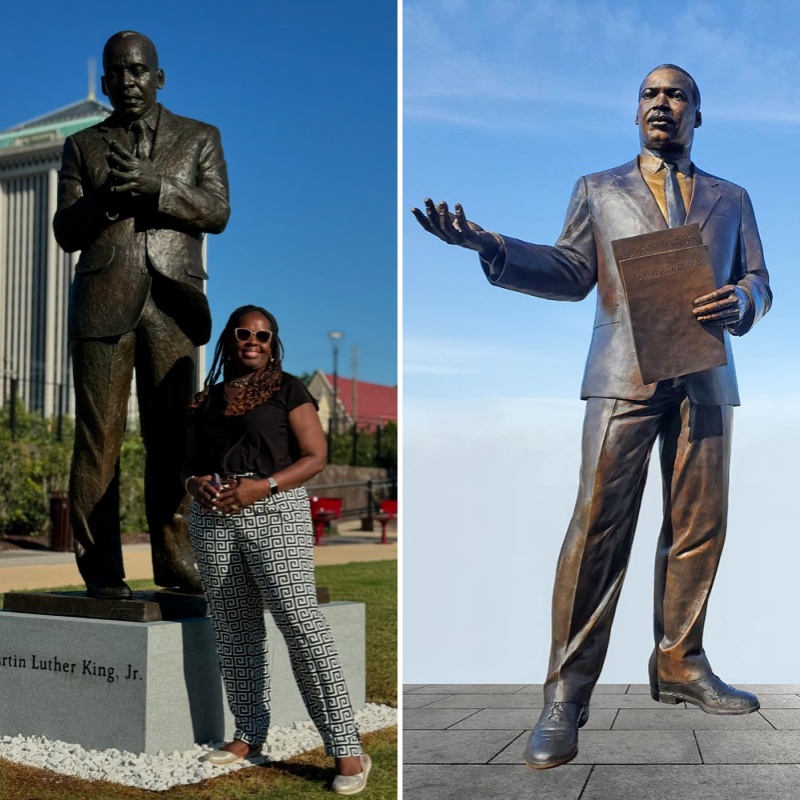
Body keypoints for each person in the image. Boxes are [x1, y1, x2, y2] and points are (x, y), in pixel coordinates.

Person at [412, 64, 771, 769]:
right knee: (598, 528)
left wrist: (745, 301)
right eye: (649, 94)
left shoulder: (733, 197)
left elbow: (759, 278)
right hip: (623, 375)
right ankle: (565, 697)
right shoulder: (598, 190)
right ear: (636, 111)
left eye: (676, 95)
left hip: (705, 372)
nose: (660, 103)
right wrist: (495, 249)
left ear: (698, 114)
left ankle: (680, 664)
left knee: (700, 527)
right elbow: (574, 272)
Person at [53, 30, 230, 598]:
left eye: (137, 71)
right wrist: (104, 198)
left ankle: (177, 562)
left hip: (174, 303)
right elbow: (64, 230)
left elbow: (218, 211)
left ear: (158, 77)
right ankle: (101, 571)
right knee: (98, 439)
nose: (127, 81)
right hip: (104, 302)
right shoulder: (82, 146)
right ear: (104, 81)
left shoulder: (200, 137)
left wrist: (160, 188)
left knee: (175, 441)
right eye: (116, 72)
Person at [182, 305, 371, 794]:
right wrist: (195, 483)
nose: (254, 342)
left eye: (263, 336)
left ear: (273, 343)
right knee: (234, 626)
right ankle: (249, 734)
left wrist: (261, 486)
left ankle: (347, 747)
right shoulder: (207, 399)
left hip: (274, 511)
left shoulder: (289, 388)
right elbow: (189, 464)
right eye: (245, 333)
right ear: (230, 338)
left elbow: (315, 456)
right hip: (213, 517)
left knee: (299, 621)